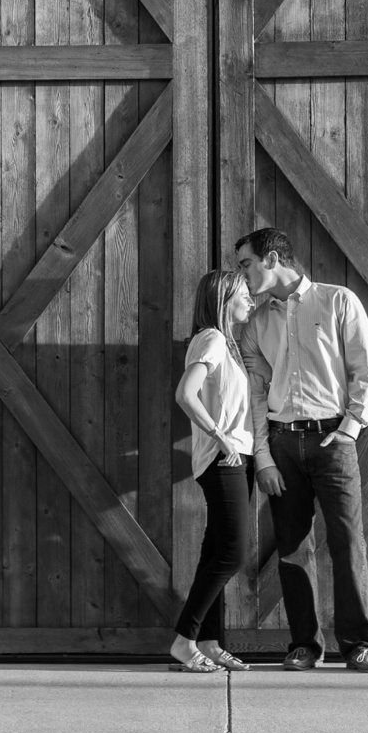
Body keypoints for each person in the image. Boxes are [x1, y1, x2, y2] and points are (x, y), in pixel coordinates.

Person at [237, 226, 368, 673]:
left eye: (245, 263)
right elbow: (255, 396)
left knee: (347, 541)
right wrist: (262, 456)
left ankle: (358, 644)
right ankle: (304, 645)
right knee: (292, 547)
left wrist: (350, 429)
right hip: (282, 444)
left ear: (272, 259)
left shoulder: (338, 301)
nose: (239, 273)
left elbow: (365, 370)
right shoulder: (256, 323)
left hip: (332, 440)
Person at [170, 270, 256, 673]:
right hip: (225, 460)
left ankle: (206, 640)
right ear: (224, 299)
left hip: (238, 458)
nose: (251, 301)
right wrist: (220, 437)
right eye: (244, 294)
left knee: (215, 554)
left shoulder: (227, 343)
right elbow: (185, 394)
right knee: (233, 552)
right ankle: (185, 641)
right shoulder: (213, 338)